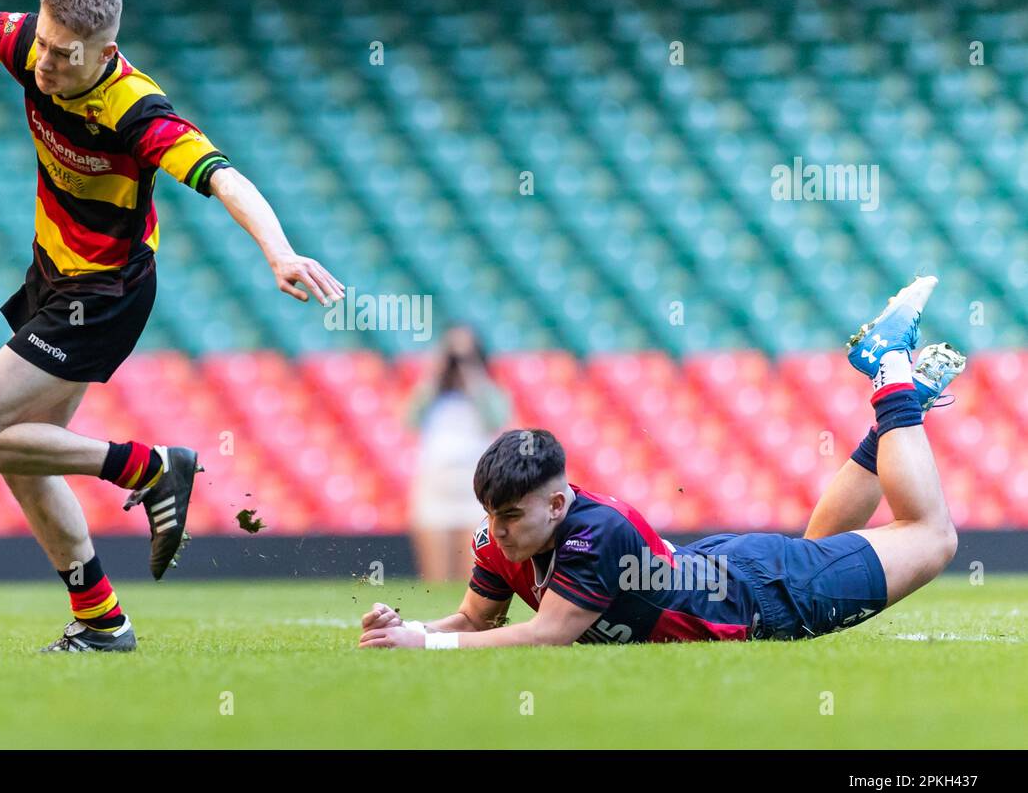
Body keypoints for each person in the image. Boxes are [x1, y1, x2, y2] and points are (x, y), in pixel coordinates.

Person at [0, 0, 345, 653]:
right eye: (46, 45)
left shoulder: (135, 109)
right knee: (19, 454)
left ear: (105, 51)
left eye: (68, 55)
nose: (47, 64)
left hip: (104, 295)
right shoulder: (25, 43)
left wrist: (280, 252)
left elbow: (221, 174)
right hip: (52, 276)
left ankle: (148, 468)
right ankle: (102, 624)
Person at [360, 276, 964, 648]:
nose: (497, 531)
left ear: (557, 503)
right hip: (727, 573)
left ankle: (892, 374)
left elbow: (547, 637)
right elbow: (475, 621)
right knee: (818, 547)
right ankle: (898, 410)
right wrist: (408, 631)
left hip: (761, 598)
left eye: (511, 516)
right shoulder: (505, 538)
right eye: (492, 516)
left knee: (931, 536)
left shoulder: (595, 533)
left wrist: (427, 650)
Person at [405, 325, 512, 581]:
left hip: (473, 485)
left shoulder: (488, 393)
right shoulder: (433, 396)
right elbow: (410, 418)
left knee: (474, 571)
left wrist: (472, 370)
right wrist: (438, 369)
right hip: (436, 482)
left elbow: (496, 419)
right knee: (435, 575)